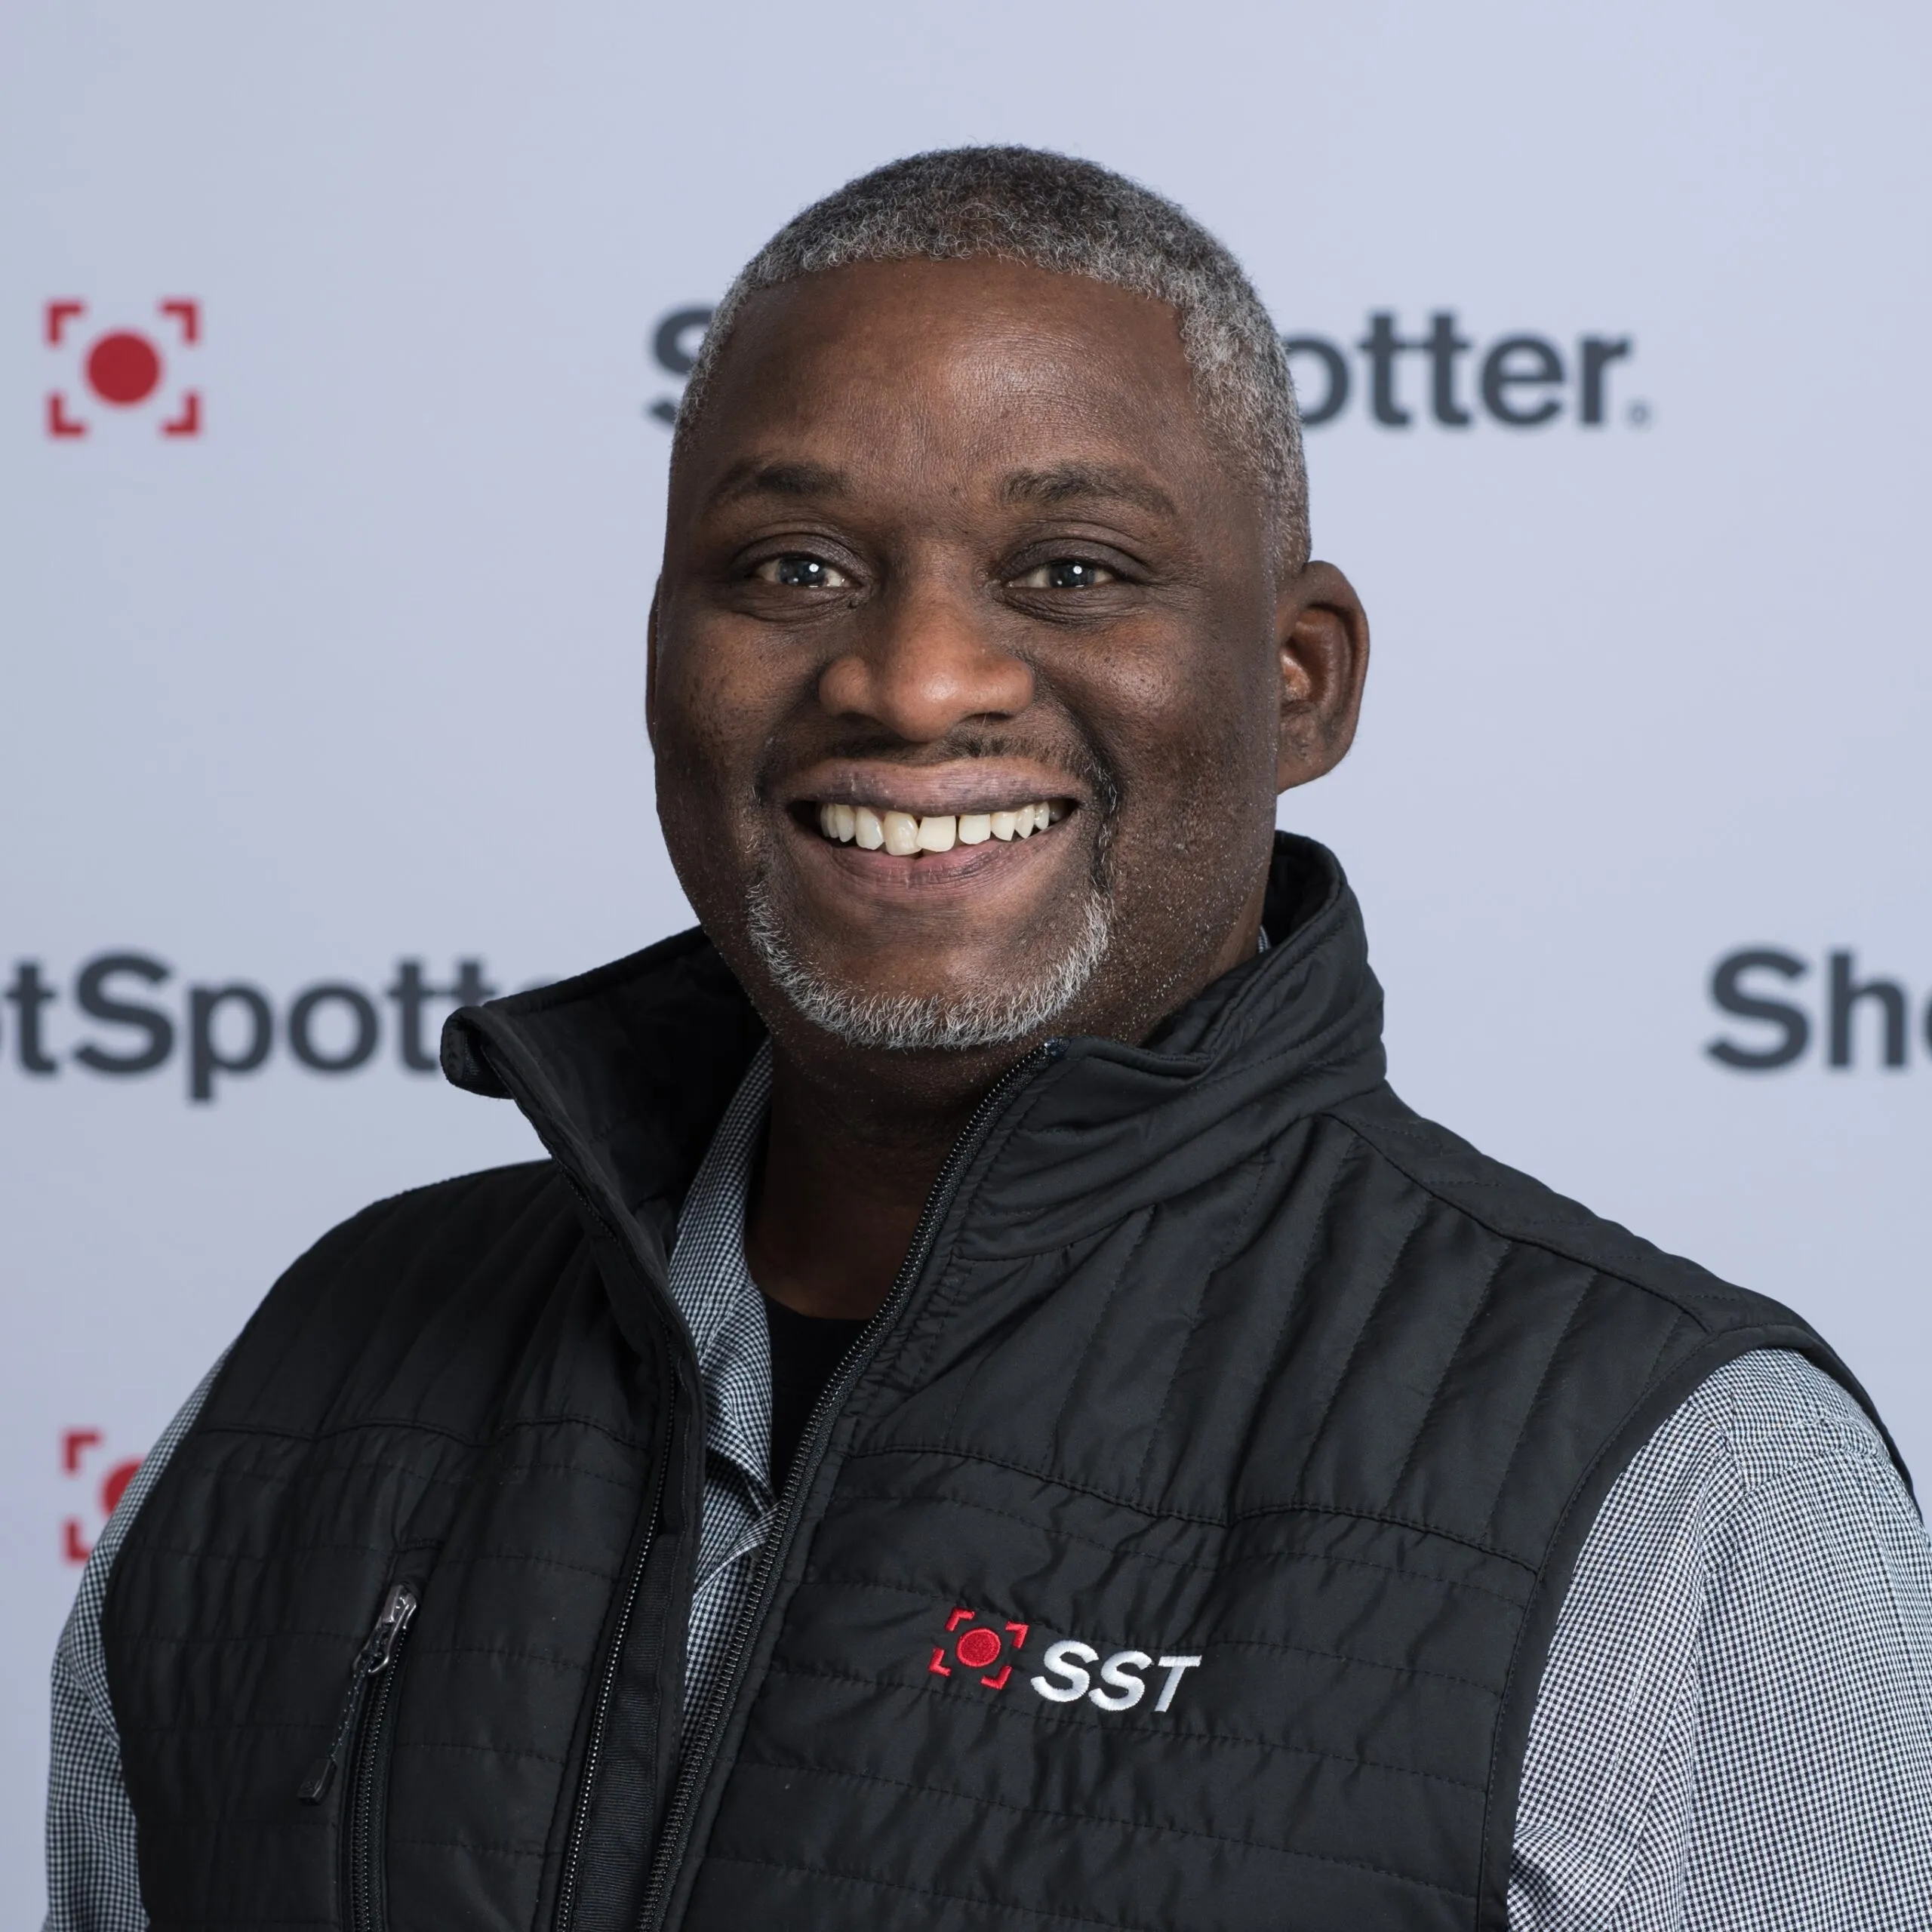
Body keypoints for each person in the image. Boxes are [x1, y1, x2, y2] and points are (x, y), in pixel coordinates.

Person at [47, 147, 1932, 1932]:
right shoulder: (326, 1362)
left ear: (1298, 683)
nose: (912, 677)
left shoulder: (1686, 1483)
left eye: (1072, 570)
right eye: (791, 565)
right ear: (656, 652)